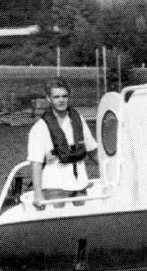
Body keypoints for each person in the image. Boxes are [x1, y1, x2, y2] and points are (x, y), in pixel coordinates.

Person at [27, 78, 98, 209]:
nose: (61, 100)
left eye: (64, 96)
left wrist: (114, 169)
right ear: (49, 99)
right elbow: (35, 163)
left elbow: (93, 151)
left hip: (79, 184)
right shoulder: (40, 128)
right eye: (56, 97)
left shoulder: (78, 120)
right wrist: (38, 194)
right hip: (54, 186)